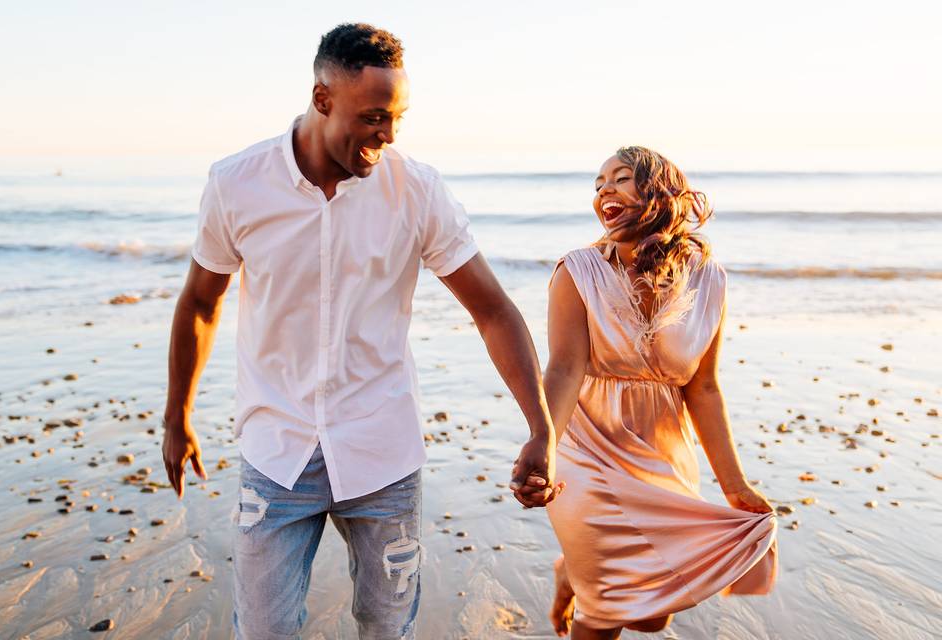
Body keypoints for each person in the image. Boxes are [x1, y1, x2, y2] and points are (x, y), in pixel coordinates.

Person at [160, 23, 560, 640]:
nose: (388, 135)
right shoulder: (237, 183)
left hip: (383, 451)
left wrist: (541, 426)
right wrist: (176, 415)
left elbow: (493, 311)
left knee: (386, 628)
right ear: (323, 98)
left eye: (398, 117)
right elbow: (199, 304)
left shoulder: (417, 190)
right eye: (375, 116)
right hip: (276, 450)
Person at [543, 146, 777, 638]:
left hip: (663, 449)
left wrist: (734, 487)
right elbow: (564, 369)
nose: (604, 189)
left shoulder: (708, 279)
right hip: (586, 446)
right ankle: (585, 586)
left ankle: (569, 571)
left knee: (652, 615)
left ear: (659, 194)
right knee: (606, 608)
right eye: (598, 183)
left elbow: (705, 386)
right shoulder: (578, 272)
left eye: (621, 178)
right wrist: (542, 448)